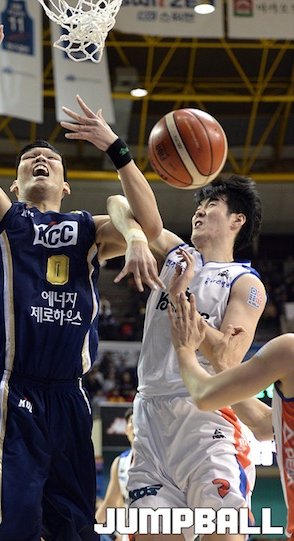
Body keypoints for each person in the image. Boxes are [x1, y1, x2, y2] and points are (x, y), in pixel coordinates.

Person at [0, 8, 163, 541]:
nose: (41, 158)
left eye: (51, 159)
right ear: (14, 185)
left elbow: (149, 223)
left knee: (75, 531)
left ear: (65, 186)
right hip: (6, 390)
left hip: (69, 399)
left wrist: (116, 150)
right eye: (30, 158)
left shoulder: (87, 229)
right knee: (4, 529)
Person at [63, 94, 267, 540]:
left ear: (237, 220)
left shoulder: (245, 283)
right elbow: (120, 203)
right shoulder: (176, 253)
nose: (200, 209)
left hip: (207, 420)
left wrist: (180, 300)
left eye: (212, 205)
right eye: (198, 204)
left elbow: (228, 358)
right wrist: (136, 235)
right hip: (150, 420)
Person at [168, 291, 294, 538]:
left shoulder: (288, 351)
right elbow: (263, 424)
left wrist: (184, 349)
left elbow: (204, 395)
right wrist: (222, 365)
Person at [96, 408, 134, 541]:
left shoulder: (159, 461)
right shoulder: (120, 462)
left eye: (140, 422)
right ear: (126, 429)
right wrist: (90, 530)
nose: (136, 427)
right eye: (132, 422)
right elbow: (109, 503)